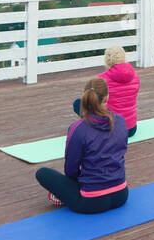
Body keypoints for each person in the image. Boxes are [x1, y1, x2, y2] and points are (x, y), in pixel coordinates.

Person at [36, 77, 129, 213]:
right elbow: (120, 151)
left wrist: (77, 184)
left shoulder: (77, 129)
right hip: (121, 194)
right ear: (107, 98)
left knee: (42, 173)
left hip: (91, 202)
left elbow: (71, 169)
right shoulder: (120, 121)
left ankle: (65, 196)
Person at [75, 45, 139, 137]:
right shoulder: (135, 76)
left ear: (107, 60)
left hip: (110, 128)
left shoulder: (101, 79)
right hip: (131, 129)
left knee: (78, 103)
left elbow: (92, 102)